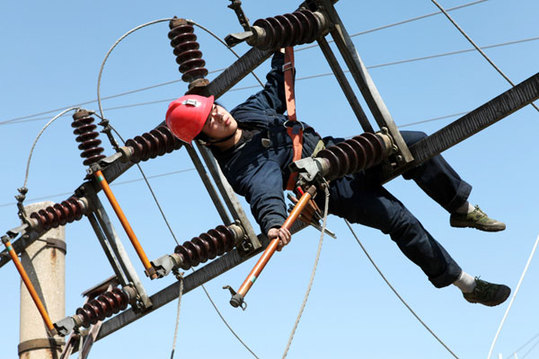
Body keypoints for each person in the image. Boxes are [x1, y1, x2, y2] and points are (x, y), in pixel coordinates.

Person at [165, 50, 510, 307]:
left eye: (214, 109)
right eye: (209, 122)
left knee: (414, 143)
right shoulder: (242, 166)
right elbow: (264, 193)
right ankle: (466, 285)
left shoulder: (247, 111)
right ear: (206, 140)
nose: (219, 116)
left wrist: (282, 42)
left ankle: (460, 207)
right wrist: (272, 223)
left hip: (342, 153)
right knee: (401, 221)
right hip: (332, 189)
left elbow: (276, 84)